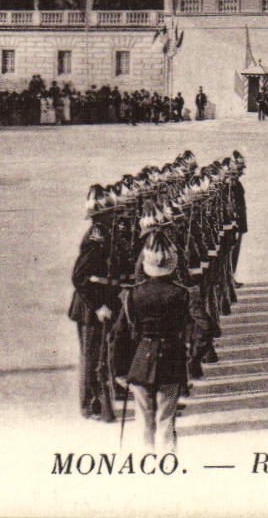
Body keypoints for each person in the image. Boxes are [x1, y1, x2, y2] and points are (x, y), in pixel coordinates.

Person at [122, 231, 208, 453]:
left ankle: (145, 461)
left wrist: (120, 369)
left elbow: (118, 335)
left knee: (143, 421)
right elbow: (206, 327)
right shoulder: (183, 294)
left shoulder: (133, 294)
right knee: (166, 420)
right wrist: (194, 355)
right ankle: (167, 463)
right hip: (171, 359)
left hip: (141, 360)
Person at [68, 185, 118, 421]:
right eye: (110, 212)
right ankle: (88, 404)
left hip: (100, 300)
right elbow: (79, 277)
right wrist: (98, 306)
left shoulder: (105, 233)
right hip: (90, 307)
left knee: (99, 354)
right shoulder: (96, 237)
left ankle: (97, 400)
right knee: (91, 357)